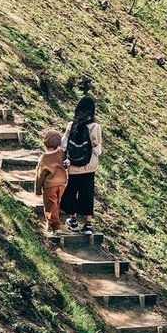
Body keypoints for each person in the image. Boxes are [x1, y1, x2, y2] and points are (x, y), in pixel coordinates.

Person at [60, 95, 102, 233]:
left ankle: (73, 221)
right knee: (87, 193)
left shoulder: (71, 125)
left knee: (72, 191)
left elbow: (63, 145)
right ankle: (88, 224)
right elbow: (97, 149)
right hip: (90, 166)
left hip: (73, 165)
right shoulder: (95, 127)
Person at [35, 128, 68, 234]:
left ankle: (54, 226)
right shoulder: (61, 153)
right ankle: (57, 221)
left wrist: (38, 189)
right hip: (62, 183)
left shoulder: (44, 158)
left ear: (45, 142)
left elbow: (40, 175)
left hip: (50, 185)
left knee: (51, 205)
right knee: (57, 202)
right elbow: (65, 165)